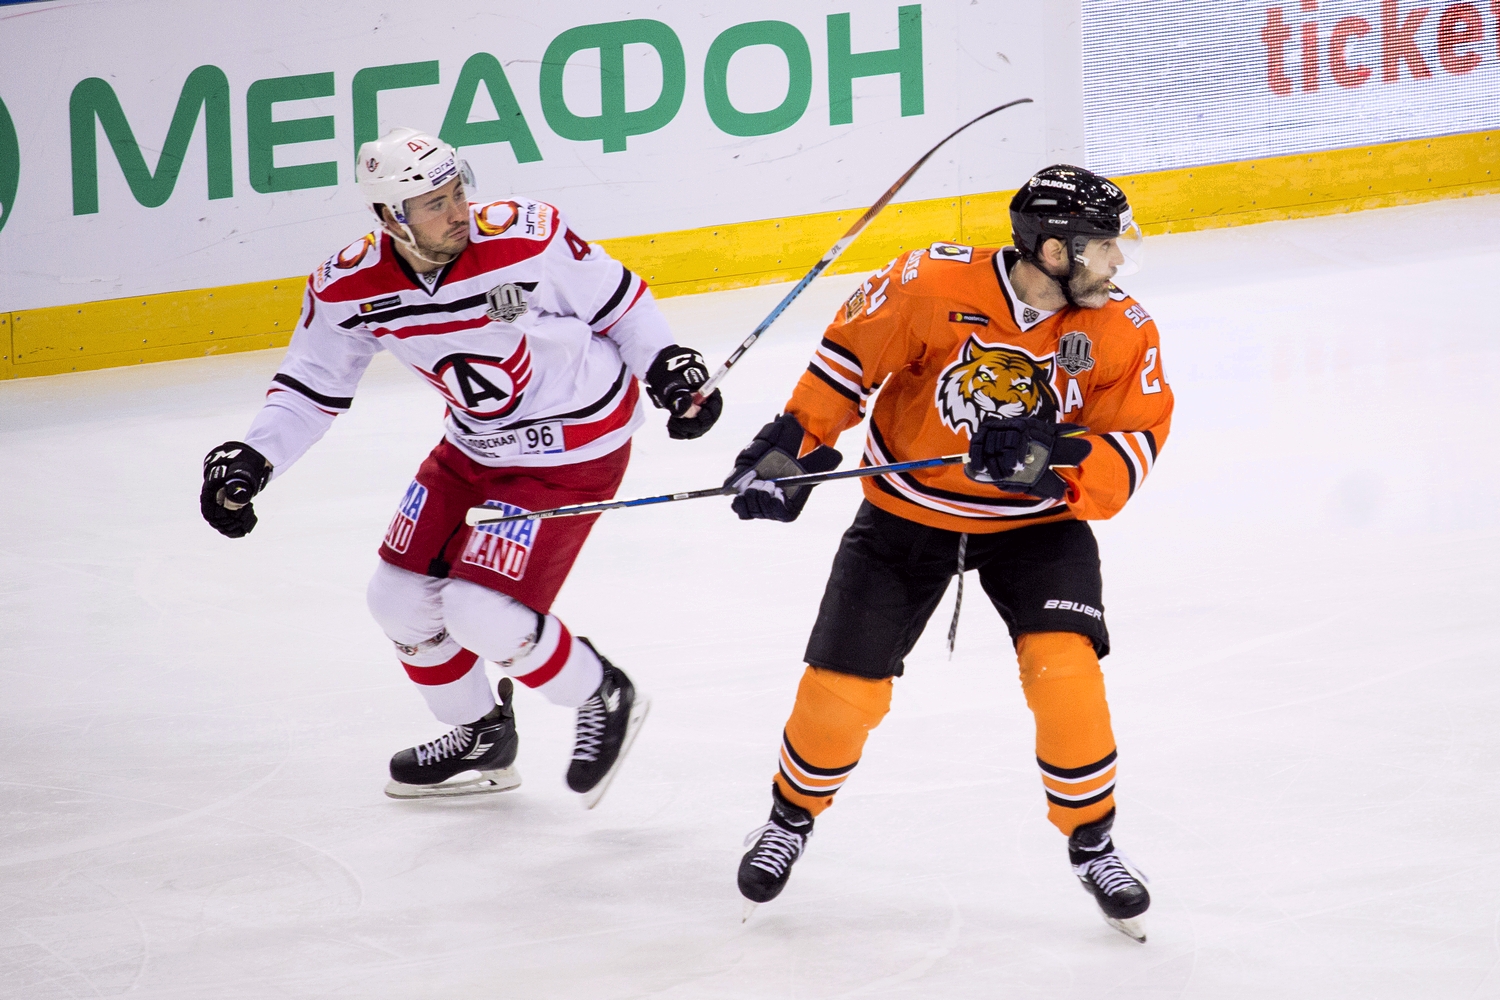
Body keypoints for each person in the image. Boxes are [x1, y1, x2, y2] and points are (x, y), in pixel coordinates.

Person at [200, 128, 722, 806]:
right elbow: (311, 382)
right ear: (392, 219)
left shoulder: (525, 237)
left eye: (458, 193)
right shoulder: (348, 285)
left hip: (572, 448)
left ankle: (603, 692)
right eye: (436, 204)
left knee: (482, 611)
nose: (459, 213)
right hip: (474, 448)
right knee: (395, 599)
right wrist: (254, 456)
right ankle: (481, 732)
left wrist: (668, 367)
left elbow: (618, 302)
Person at [725, 165, 1171, 941]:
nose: (1117, 263)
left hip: (1034, 527)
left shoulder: (1121, 328)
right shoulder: (929, 283)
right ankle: (789, 819)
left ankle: (1092, 841)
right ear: (1054, 252)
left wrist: (1047, 458)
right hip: (906, 517)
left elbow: (1131, 451)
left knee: (1064, 670)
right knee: (842, 689)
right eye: (1103, 248)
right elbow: (844, 365)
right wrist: (791, 449)